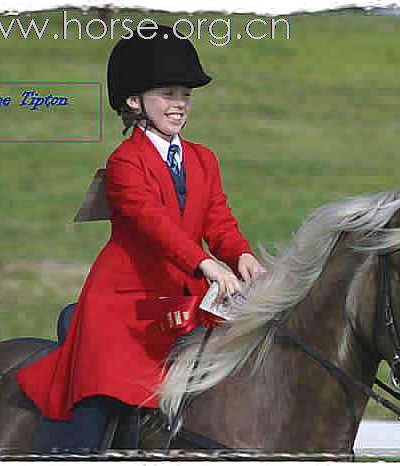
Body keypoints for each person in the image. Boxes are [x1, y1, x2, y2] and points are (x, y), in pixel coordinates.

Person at [15, 25, 265, 453]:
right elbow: (154, 226)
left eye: (185, 94)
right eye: (167, 93)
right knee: (100, 398)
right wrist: (206, 264)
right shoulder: (125, 162)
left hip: (185, 302)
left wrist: (240, 255)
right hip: (124, 308)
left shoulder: (204, 159)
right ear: (134, 101)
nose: (179, 104)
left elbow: (218, 220)